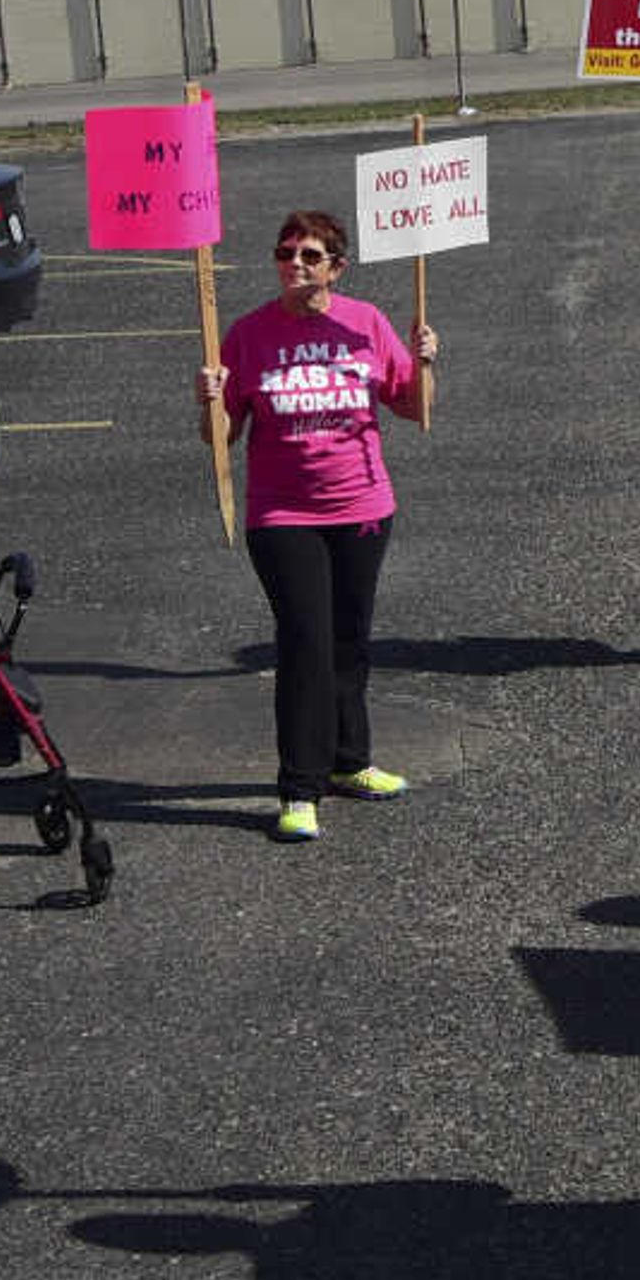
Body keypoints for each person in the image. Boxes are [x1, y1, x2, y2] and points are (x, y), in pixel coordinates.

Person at [199, 208, 438, 844]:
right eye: (285, 254)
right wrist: (212, 400)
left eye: (309, 255)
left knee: (349, 641)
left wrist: (426, 362)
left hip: (362, 506)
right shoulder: (249, 335)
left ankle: (349, 761)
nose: (294, 265)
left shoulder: (365, 324)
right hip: (282, 516)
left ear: (336, 266)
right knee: (305, 642)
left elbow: (414, 408)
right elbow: (223, 439)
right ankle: (298, 788)